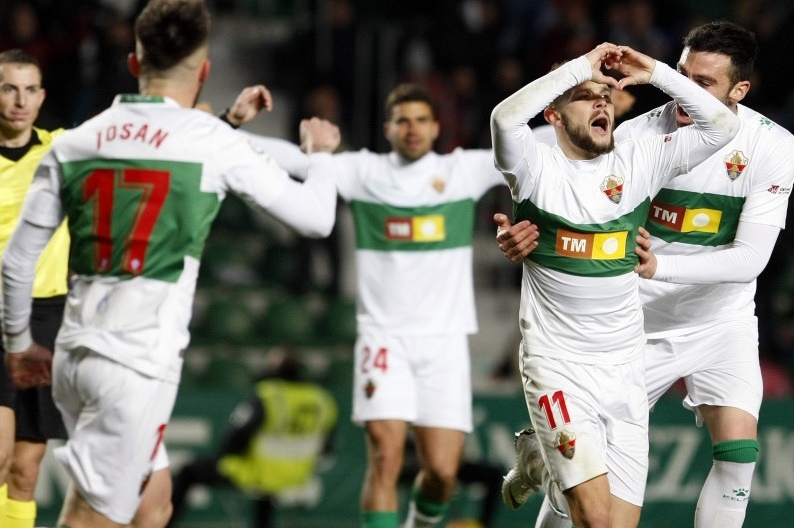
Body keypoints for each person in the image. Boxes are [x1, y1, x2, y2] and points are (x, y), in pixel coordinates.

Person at [0, 1, 340, 527]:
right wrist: (320, 155)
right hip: (135, 364)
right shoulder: (211, 142)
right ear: (204, 71)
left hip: (75, 354)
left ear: (134, 64)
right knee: (89, 519)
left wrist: (20, 344)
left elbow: (19, 260)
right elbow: (317, 219)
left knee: (154, 504)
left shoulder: (78, 140)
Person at [496, 21, 794, 528]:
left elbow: (750, 259)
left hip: (717, 321)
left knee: (739, 451)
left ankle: (546, 466)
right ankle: (546, 467)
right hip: (637, 324)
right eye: (682, 74)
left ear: (739, 91)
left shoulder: (772, 146)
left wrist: (657, 72)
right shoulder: (635, 140)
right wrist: (527, 239)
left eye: (704, 83)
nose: (686, 90)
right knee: (588, 506)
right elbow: (567, 197)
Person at [225, 82, 509, 528]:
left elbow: (535, 143)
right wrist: (220, 127)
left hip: (445, 340)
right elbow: (295, 158)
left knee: (441, 472)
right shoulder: (364, 171)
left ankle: (418, 522)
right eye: (402, 121)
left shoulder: (463, 170)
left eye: (420, 120)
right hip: (383, 339)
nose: (412, 129)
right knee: (385, 454)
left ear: (436, 127)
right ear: (388, 128)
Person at [0, 48, 171, 528]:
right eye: (8, 88)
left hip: (50, 316)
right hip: (0, 312)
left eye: (29, 89)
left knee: (26, 470)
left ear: (42, 97)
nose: (19, 101)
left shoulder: (62, 147)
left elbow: (150, 139)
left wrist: (226, 121)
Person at [168, 352, 338, 528]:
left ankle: (165, 524)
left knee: (189, 471)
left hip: (258, 472)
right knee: (267, 493)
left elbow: (237, 436)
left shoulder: (269, 395)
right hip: (299, 476)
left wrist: (223, 456)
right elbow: (327, 448)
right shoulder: (322, 399)